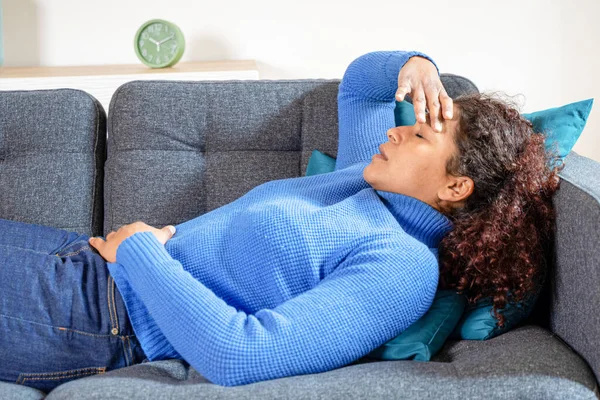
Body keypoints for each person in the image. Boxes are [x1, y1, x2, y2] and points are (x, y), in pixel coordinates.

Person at [0, 50, 563, 392]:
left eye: (418, 135)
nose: (395, 130)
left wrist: (143, 252)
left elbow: (240, 354)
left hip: (97, 315)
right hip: (72, 259)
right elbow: (364, 84)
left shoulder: (400, 270)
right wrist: (415, 65)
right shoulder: (363, 179)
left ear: (455, 186)